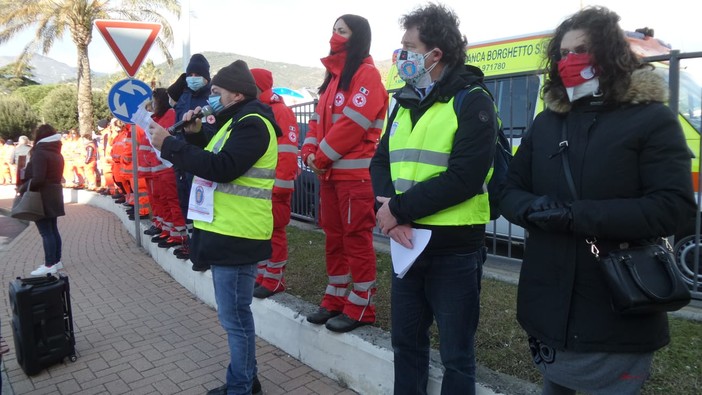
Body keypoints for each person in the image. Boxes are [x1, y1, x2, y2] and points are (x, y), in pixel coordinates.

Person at [498, 7, 697, 395]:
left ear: (611, 54)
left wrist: (577, 216)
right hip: (550, 301)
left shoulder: (652, 119)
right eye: (563, 53)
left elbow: (673, 207)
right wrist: (532, 209)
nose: (570, 61)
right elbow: (508, 189)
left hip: (615, 304)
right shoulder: (547, 122)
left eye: (583, 50)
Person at [369, 4, 497, 394]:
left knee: (457, 355)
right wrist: (387, 208)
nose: (400, 55)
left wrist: (397, 210)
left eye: (408, 47)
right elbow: (381, 162)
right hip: (407, 244)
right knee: (405, 344)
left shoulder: (472, 101)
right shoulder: (403, 102)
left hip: (453, 251)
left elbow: (464, 178)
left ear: (435, 54)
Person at [149, 59, 278, 395]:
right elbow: (211, 155)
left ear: (237, 93)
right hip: (227, 229)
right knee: (234, 317)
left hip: (239, 232)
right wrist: (192, 138)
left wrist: (170, 145)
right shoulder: (234, 122)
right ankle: (246, 380)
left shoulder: (253, 124)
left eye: (217, 92)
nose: (211, 98)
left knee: (235, 319)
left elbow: (223, 168)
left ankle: (241, 387)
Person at [300, 14, 388, 333]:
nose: (335, 36)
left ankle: (362, 304)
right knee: (334, 239)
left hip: (354, 179)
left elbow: (352, 124)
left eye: (342, 31)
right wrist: (308, 150)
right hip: (330, 177)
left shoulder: (367, 76)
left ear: (357, 37)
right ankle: (336, 297)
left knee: (356, 240)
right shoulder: (334, 79)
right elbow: (315, 123)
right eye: (334, 30)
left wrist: (320, 156)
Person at [250, 68, 300, 299]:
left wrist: (279, 187)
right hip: (262, 187)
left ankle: (275, 279)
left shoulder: (280, 112)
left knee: (275, 232)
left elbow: (288, 152)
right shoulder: (261, 109)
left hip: (275, 188)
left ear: (257, 85)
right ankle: (263, 276)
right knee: (262, 232)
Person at [167, 53, 216, 263]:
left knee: (200, 208)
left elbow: (210, 132)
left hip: (199, 159)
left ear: (207, 77)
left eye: (198, 74)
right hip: (181, 159)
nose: (193, 78)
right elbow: (171, 97)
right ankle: (192, 247)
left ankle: (203, 253)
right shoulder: (184, 96)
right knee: (184, 203)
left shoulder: (212, 99)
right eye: (190, 74)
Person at [20, 124, 66, 276]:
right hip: (54, 194)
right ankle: (56, 261)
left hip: (42, 197)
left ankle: (49, 264)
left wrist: (23, 187)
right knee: (52, 229)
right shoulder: (56, 152)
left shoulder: (40, 152)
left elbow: (38, 178)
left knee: (46, 232)